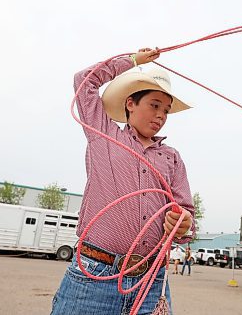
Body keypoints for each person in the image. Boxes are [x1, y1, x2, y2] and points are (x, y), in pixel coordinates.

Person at [50, 48, 195, 315]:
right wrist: (132, 62)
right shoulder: (103, 135)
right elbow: (84, 81)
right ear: (130, 103)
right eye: (154, 105)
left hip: (151, 281)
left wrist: (183, 221)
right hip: (94, 275)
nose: (161, 115)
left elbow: (186, 214)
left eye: (166, 110)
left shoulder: (171, 158)